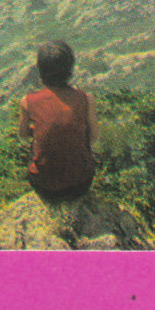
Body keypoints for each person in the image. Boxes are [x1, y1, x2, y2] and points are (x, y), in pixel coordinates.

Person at [17, 41, 97, 202]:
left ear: (40, 70)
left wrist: (41, 130)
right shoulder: (86, 99)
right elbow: (93, 137)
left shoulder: (27, 101)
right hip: (80, 185)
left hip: (45, 187)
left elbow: (23, 135)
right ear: (70, 68)